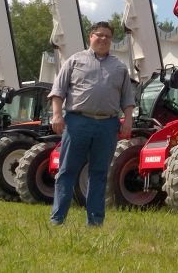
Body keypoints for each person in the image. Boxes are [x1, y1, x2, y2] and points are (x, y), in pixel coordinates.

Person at [49, 21, 134, 227]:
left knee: (99, 174)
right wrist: (57, 115)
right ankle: (57, 219)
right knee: (67, 171)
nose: (103, 39)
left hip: (107, 125)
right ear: (90, 37)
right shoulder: (74, 61)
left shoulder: (120, 68)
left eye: (107, 36)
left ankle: (95, 221)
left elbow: (128, 99)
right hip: (78, 122)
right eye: (99, 35)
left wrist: (128, 121)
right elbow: (58, 91)